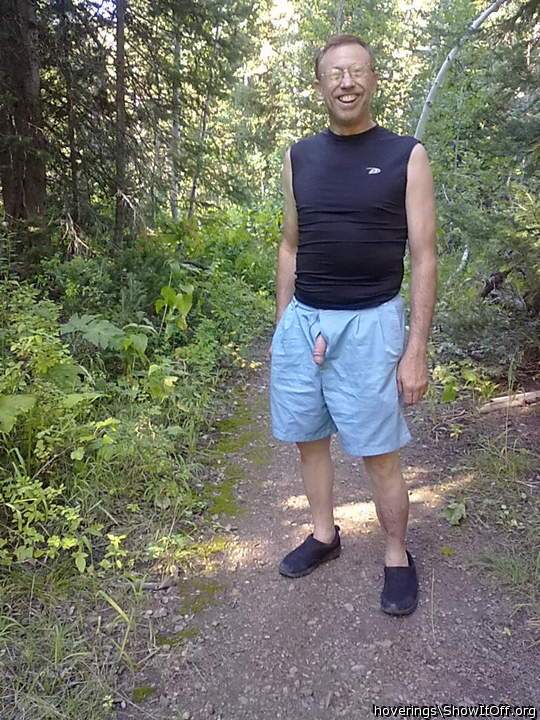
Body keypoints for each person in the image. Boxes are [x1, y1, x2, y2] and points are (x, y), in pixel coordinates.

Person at [268, 34, 437, 616]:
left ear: (373, 79)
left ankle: (396, 554)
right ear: (320, 84)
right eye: (335, 73)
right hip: (304, 321)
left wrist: (416, 349)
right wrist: (283, 324)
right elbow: (290, 244)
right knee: (308, 440)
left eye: (357, 71)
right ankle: (324, 534)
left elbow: (425, 257)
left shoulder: (406, 155)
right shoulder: (299, 156)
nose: (346, 82)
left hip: (370, 325)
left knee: (379, 452)